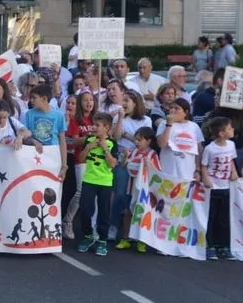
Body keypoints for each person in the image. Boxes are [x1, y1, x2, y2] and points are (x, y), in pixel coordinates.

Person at [75, 113, 119, 257]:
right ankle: (88, 236)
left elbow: (113, 164)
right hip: (89, 179)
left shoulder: (112, 144)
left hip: (105, 182)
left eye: (98, 125)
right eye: (94, 124)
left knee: (104, 212)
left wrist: (105, 149)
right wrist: (88, 148)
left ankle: (102, 240)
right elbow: (81, 159)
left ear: (106, 128)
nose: (94, 128)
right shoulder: (89, 139)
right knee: (85, 210)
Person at [115, 126, 159, 253]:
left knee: (142, 213)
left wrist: (148, 163)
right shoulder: (134, 152)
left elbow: (157, 172)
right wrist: (125, 157)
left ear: (148, 141)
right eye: (136, 140)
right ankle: (125, 238)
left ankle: (142, 241)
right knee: (128, 211)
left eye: (139, 140)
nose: (136, 142)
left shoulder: (152, 154)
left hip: (144, 190)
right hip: (131, 187)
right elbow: (124, 165)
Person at [200, 116, 238, 260]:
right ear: (221, 133)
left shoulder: (231, 145)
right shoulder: (210, 148)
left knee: (224, 218)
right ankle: (210, 246)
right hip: (213, 187)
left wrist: (234, 171)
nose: (232, 129)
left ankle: (224, 246)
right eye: (229, 128)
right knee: (211, 217)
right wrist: (206, 179)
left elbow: (231, 161)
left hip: (226, 186)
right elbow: (204, 165)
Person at [23, 85, 67, 178]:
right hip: (33, 156)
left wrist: (64, 165)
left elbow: (62, 141)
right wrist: (33, 141)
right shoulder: (29, 114)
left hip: (53, 156)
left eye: (34, 98)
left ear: (44, 98)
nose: (31, 100)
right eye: (31, 98)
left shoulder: (59, 115)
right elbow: (24, 136)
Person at [156, 98, 204, 183]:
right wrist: (169, 124)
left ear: (186, 112)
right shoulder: (163, 124)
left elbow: (199, 150)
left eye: (176, 108)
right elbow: (161, 144)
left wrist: (197, 170)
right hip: (167, 173)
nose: (172, 110)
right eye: (171, 108)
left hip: (187, 174)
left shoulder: (194, 126)